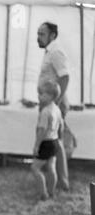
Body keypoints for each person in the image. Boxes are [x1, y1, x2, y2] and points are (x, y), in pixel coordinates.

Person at [37, 22, 70, 191]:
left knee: (56, 143)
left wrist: (55, 104)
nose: (38, 37)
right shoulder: (49, 52)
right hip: (49, 103)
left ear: (52, 35)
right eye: (38, 33)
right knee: (51, 141)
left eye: (42, 34)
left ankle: (62, 181)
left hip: (54, 104)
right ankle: (53, 177)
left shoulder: (56, 52)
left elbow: (64, 78)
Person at [31, 81, 64, 201]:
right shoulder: (57, 109)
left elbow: (42, 131)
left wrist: (36, 146)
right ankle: (51, 192)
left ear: (50, 96)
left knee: (35, 168)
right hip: (54, 141)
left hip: (46, 143)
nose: (39, 96)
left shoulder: (45, 111)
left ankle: (43, 193)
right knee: (51, 167)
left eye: (42, 94)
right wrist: (59, 138)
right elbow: (62, 125)